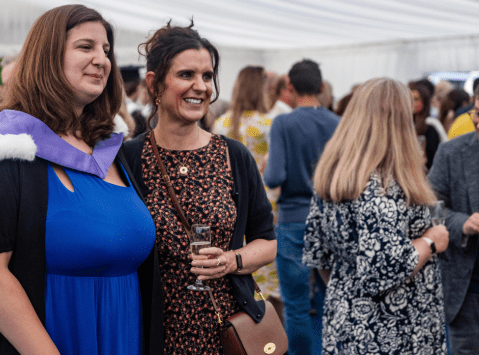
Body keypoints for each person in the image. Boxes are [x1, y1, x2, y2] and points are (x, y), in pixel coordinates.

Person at [0, 5, 163, 354]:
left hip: (124, 331)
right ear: (47, 57)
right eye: (85, 47)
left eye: (106, 51)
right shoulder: (9, 151)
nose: (102, 60)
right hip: (52, 337)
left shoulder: (111, 149)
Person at [123, 22, 277, 354]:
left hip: (227, 329)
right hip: (152, 332)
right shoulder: (129, 158)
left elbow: (267, 241)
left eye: (207, 76)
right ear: (154, 84)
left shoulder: (233, 155)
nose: (200, 86)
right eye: (186, 75)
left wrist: (232, 260)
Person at [303, 78, 449, 354]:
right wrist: (431, 241)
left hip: (346, 318)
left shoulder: (334, 177)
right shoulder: (382, 185)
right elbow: (384, 267)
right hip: (393, 330)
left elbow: (319, 257)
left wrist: (351, 290)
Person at [264, 58, 339, 355]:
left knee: (295, 307)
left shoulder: (283, 122)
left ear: (290, 88)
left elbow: (273, 177)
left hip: (294, 220)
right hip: (333, 218)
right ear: (321, 87)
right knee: (333, 300)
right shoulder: (338, 123)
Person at [429, 73, 479, 354]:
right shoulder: (452, 152)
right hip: (468, 290)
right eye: (478, 114)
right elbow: (429, 208)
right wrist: (462, 222)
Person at [212, 65, 280, 298]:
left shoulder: (221, 123)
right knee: (269, 279)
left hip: (226, 201)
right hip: (265, 199)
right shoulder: (269, 125)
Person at [410, 82, 441, 169]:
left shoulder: (431, 126)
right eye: (410, 99)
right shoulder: (405, 124)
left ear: (424, 102)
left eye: (416, 99)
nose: (412, 103)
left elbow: (432, 159)